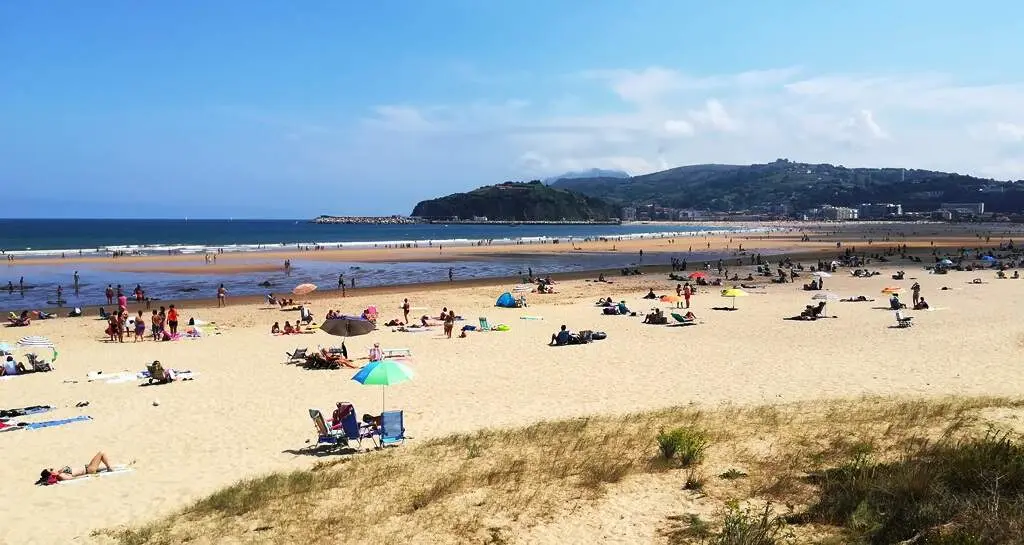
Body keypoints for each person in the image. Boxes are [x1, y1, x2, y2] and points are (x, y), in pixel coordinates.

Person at [36, 452, 116, 485]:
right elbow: (71, 478)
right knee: (101, 453)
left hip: (87, 467)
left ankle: (109, 467)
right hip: (89, 470)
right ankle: (109, 468)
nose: (53, 468)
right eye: (51, 470)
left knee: (102, 460)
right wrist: (61, 473)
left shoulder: (60, 473)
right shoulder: (61, 476)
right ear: (52, 474)